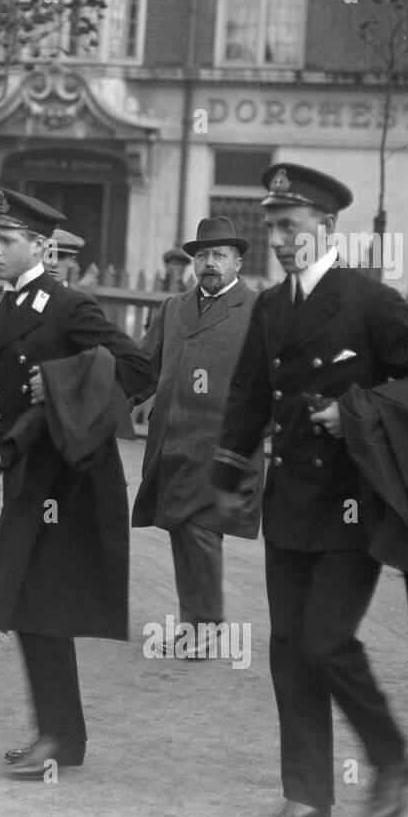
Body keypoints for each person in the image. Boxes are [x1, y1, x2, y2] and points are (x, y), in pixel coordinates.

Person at [212, 163, 408, 817]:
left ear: (327, 226)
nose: (280, 240)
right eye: (272, 228)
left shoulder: (370, 302)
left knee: (326, 639)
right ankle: (307, 799)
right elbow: (250, 398)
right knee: (288, 647)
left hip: (353, 506)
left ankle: (391, 756)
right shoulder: (269, 306)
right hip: (290, 504)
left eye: (291, 225)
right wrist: (224, 479)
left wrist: (358, 411)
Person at [0, 188, 152, 779]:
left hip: (73, 480)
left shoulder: (70, 305)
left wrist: (59, 383)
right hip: (31, 476)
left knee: (41, 604)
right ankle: (59, 735)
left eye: (5, 241)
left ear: (41, 247)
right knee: (28, 604)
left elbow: (135, 368)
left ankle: (59, 738)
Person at [131, 217, 263, 659]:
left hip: (222, 444)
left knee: (201, 530)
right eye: (202, 255)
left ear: (237, 262)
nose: (209, 263)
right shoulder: (173, 307)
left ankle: (204, 629)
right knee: (183, 531)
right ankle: (196, 627)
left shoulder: (256, 310)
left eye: (219, 255)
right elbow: (143, 365)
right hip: (172, 441)